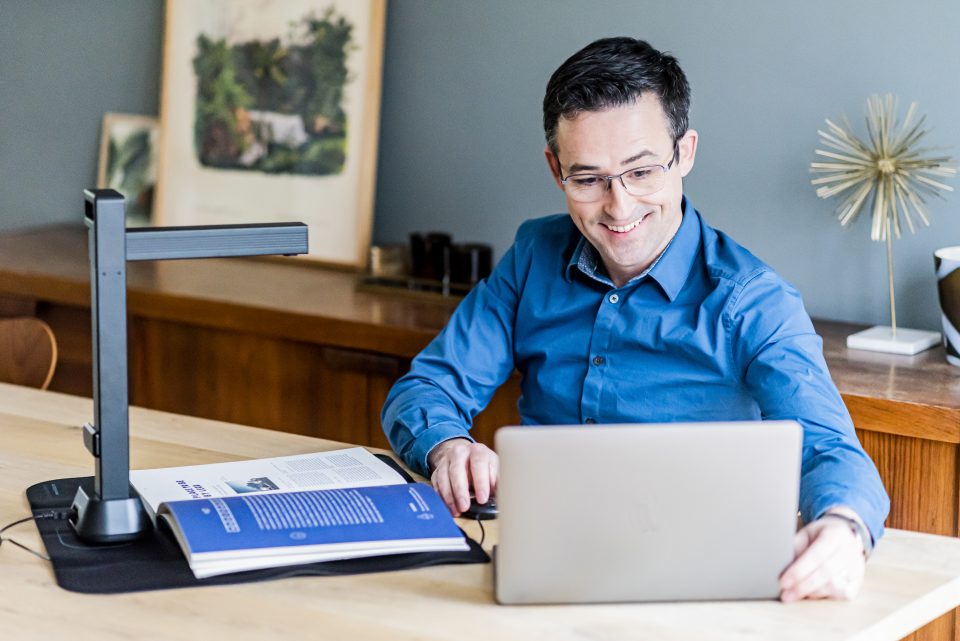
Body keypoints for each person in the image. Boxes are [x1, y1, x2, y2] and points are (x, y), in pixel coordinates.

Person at [381, 37, 889, 603]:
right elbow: (426, 386)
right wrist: (447, 445)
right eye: (589, 178)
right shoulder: (533, 255)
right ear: (555, 170)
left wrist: (845, 529)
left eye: (642, 171)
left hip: (698, 576)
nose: (619, 208)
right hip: (549, 562)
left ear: (686, 152)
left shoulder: (754, 301)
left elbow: (830, 449)